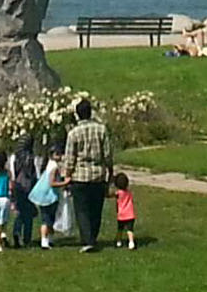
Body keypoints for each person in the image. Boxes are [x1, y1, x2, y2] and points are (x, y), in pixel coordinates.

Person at [62, 99, 115, 253]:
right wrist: (110, 171)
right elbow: (107, 153)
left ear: (78, 114)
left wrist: (67, 175)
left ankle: (87, 239)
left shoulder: (73, 133)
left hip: (80, 175)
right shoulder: (101, 129)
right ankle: (93, 236)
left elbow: (70, 157)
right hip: (98, 175)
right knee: (96, 209)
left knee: (82, 210)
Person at [29, 144, 64, 249]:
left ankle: (49, 239)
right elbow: (52, 183)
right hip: (48, 195)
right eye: (57, 154)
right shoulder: (54, 167)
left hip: (45, 194)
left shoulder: (50, 164)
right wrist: (65, 183)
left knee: (49, 218)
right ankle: (44, 241)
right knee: (46, 219)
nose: (60, 156)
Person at [10, 137, 38, 249]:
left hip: (17, 186)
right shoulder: (31, 157)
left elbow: (13, 173)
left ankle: (16, 231)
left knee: (20, 211)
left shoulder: (14, 157)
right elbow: (34, 173)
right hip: (28, 186)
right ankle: (27, 238)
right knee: (29, 214)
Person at [111, 171, 137, 250]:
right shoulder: (129, 193)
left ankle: (119, 241)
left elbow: (110, 195)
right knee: (130, 230)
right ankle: (131, 242)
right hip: (130, 214)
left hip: (122, 215)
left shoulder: (118, 193)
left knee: (120, 229)